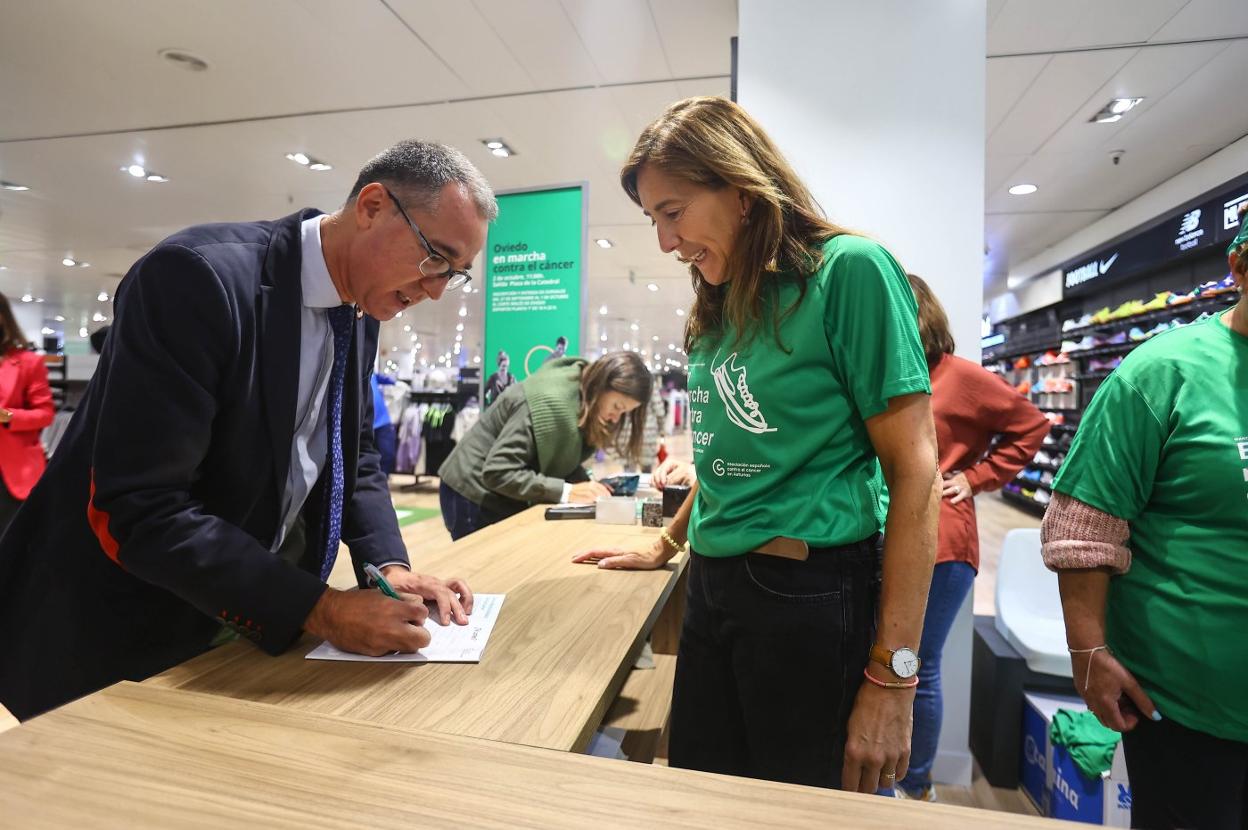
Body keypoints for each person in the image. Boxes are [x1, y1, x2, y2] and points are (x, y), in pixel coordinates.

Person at [0, 140, 495, 721]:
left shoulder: (361, 309)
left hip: (243, 618)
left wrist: (389, 566)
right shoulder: (197, 277)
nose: (436, 287)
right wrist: (322, 608)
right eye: (434, 256)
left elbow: (351, 451)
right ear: (372, 206)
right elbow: (140, 507)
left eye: (454, 274)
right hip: (116, 626)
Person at [575, 96, 940, 795]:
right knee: (702, 797)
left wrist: (894, 676)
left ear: (739, 190)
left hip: (807, 596)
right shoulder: (719, 300)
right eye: (653, 219)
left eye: (673, 212)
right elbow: (726, 459)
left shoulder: (850, 272)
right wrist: (667, 544)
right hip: (714, 591)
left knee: (802, 806)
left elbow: (915, 472)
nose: (664, 241)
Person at [1041, 207, 1248, 830]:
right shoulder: (1164, 372)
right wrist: (1089, 648)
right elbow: (1082, 527)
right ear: (1239, 267)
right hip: (1187, 703)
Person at [895, 274, 1050, 801]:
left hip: (943, 543)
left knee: (917, 663)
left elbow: (1031, 425)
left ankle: (916, 786)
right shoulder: (889, 374)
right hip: (891, 537)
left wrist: (976, 478)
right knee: (891, 660)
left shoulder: (958, 377)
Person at [438, 351, 651, 540]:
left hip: (494, 494)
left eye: (624, 413)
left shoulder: (578, 395)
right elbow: (498, 471)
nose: (616, 418)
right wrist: (567, 492)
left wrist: (587, 487)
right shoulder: (550, 401)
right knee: (483, 575)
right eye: (617, 406)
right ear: (601, 385)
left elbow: (556, 456)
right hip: (470, 492)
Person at [0, 294, 54, 535]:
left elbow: (45, 414)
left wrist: (8, 416)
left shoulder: (28, 363)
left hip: (13, 470)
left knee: (11, 540)